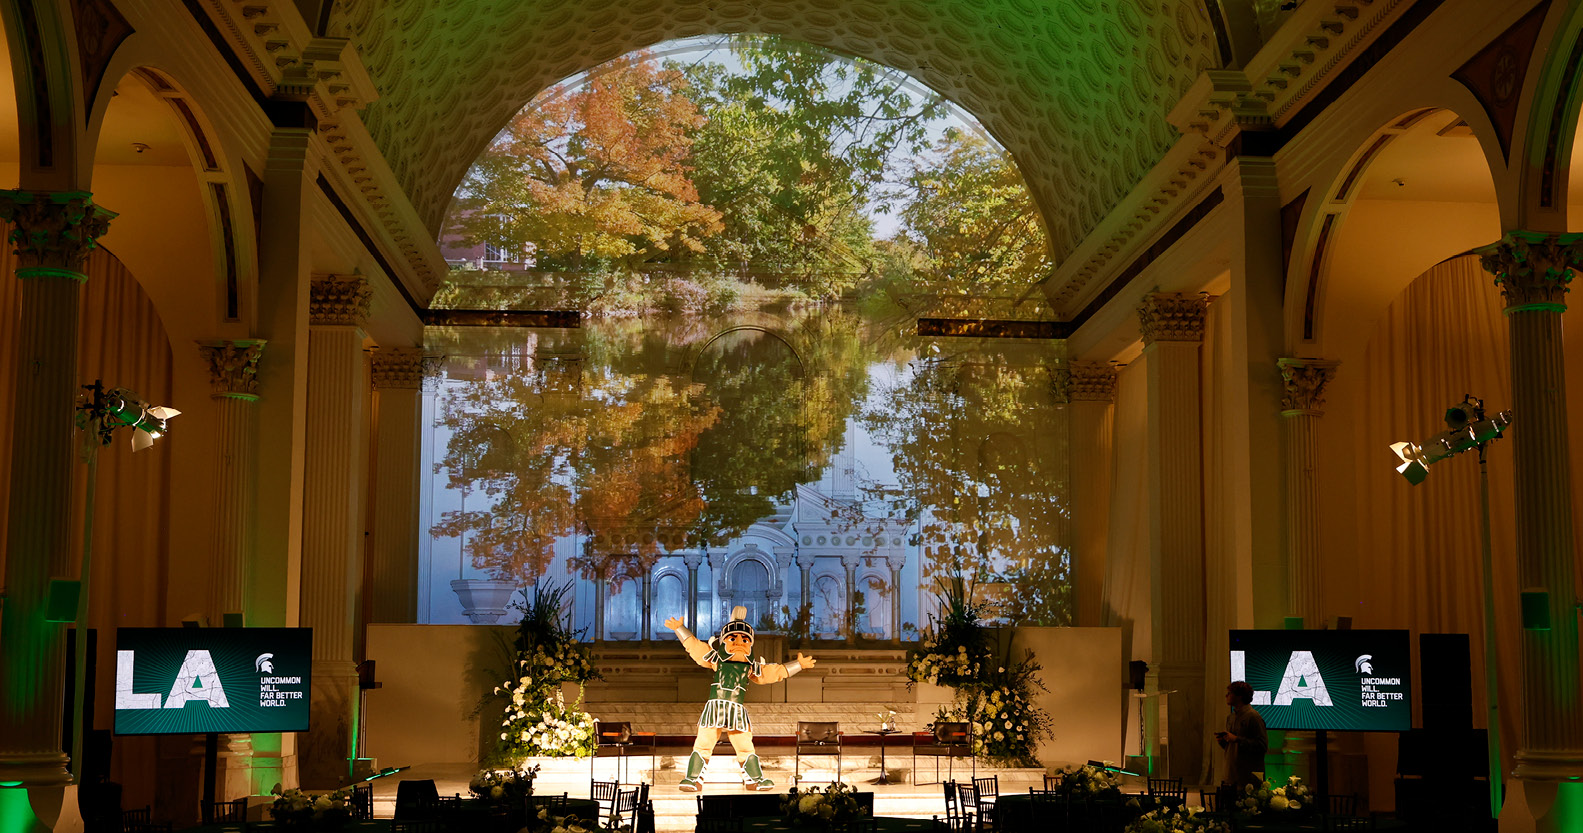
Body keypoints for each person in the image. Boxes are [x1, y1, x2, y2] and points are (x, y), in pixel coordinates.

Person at [662, 606, 817, 792]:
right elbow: (696, 647)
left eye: (745, 639)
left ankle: (755, 779)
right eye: (732, 638)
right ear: (723, 641)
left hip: (736, 711)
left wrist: (797, 665)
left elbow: (773, 672)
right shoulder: (716, 660)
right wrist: (681, 629)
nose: (739, 642)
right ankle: (692, 778)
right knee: (703, 744)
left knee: (745, 746)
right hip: (715, 709)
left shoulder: (751, 667)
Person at [1216, 680, 1269, 792]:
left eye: (1229, 693)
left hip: (1247, 780)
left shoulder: (1253, 717)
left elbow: (1262, 746)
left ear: (1239, 696)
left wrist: (1236, 739)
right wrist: (1224, 742)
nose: (1226, 696)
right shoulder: (1231, 718)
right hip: (1230, 777)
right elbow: (1235, 748)